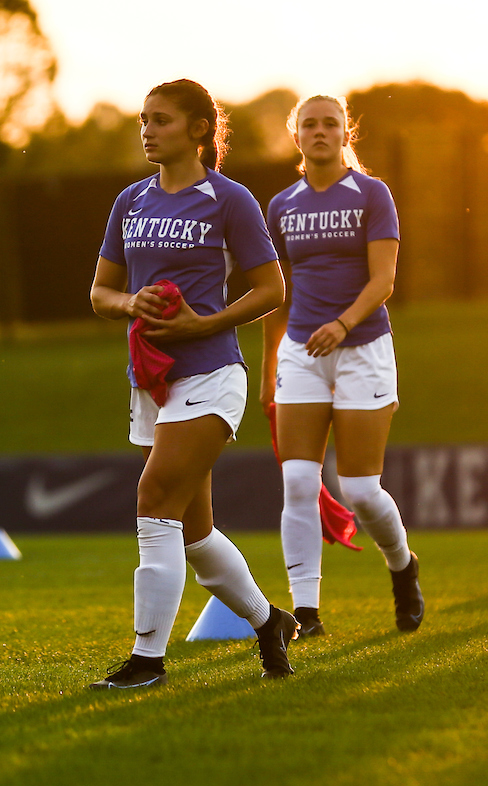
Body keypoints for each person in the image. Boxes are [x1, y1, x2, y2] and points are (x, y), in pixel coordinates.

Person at [88, 79, 297, 688]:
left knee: (154, 499)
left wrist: (206, 320)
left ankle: (147, 661)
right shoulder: (131, 201)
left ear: (200, 129)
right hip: (152, 382)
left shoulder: (229, 200)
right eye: (143, 120)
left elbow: (271, 290)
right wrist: (131, 303)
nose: (147, 129)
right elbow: (99, 294)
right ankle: (269, 623)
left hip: (213, 374)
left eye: (161, 120)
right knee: (196, 532)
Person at [262, 95, 423, 636]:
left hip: (363, 350)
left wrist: (344, 324)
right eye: (309, 124)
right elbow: (274, 295)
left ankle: (402, 565)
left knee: (359, 489)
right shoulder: (281, 205)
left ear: (345, 132)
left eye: (331, 123)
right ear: (297, 135)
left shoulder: (372, 194)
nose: (320, 131)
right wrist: (269, 372)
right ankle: (305, 613)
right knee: (299, 483)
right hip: (301, 356)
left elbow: (384, 281)